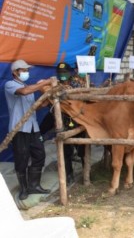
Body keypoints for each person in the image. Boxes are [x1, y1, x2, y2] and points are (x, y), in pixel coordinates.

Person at [4, 60, 52, 200]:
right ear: (15, 72)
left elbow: (33, 107)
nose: (26, 72)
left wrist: (46, 102)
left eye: (27, 70)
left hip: (33, 127)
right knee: (21, 158)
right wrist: (45, 83)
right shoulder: (10, 85)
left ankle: (34, 185)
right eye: (24, 70)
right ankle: (24, 189)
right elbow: (24, 92)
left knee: (39, 155)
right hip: (19, 129)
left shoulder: (28, 87)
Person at [40, 62, 86, 185]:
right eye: (60, 73)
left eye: (64, 72)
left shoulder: (76, 83)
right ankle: (69, 175)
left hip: (77, 119)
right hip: (62, 120)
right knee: (65, 150)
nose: (62, 75)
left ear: (70, 72)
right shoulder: (55, 85)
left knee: (82, 149)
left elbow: (83, 96)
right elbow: (46, 96)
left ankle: (86, 172)